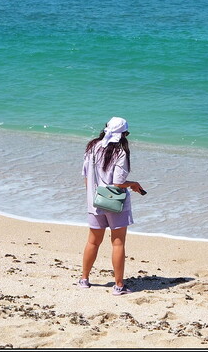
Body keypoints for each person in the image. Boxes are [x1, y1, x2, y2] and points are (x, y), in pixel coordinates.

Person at [79, 116, 145, 295]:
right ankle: (118, 286)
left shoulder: (92, 147)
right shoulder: (121, 152)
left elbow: (86, 176)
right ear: (123, 134)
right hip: (115, 202)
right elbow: (117, 183)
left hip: (95, 201)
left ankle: (84, 279)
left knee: (93, 241)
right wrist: (133, 184)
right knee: (117, 243)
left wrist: (92, 196)